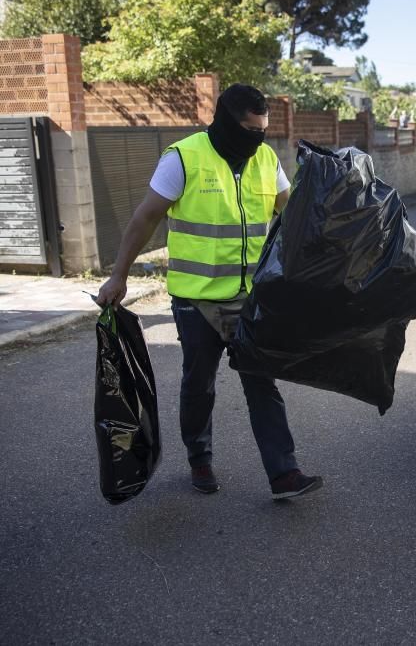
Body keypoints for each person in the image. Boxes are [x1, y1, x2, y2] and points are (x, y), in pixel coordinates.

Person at [96, 84, 323, 501]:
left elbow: (293, 214)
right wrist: (118, 276)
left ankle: (284, 473)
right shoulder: (183, 158)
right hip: (196, 301)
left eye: (263, 130)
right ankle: (199, 458)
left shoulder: (266, 159)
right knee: (199, 384)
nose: (257, 139)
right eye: (250, 130)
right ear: (225, 123)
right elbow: (145, 218)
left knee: (262, 383)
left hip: (251, 299)